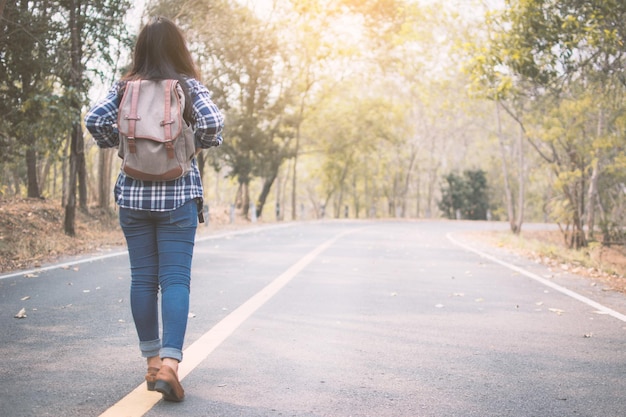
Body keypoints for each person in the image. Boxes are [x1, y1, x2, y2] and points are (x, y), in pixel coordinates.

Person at [84, 16, 224, 402]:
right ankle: (170, 366)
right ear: (178, 48)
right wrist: (195, 144)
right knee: (175, 280)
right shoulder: (187, 85)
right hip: (178, 195)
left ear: (141, 49)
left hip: (132, 195)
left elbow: (94, 119)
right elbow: (213, 122)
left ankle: (150, 363)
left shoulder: (124, 87)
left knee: (142, 279)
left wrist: (123, 144)